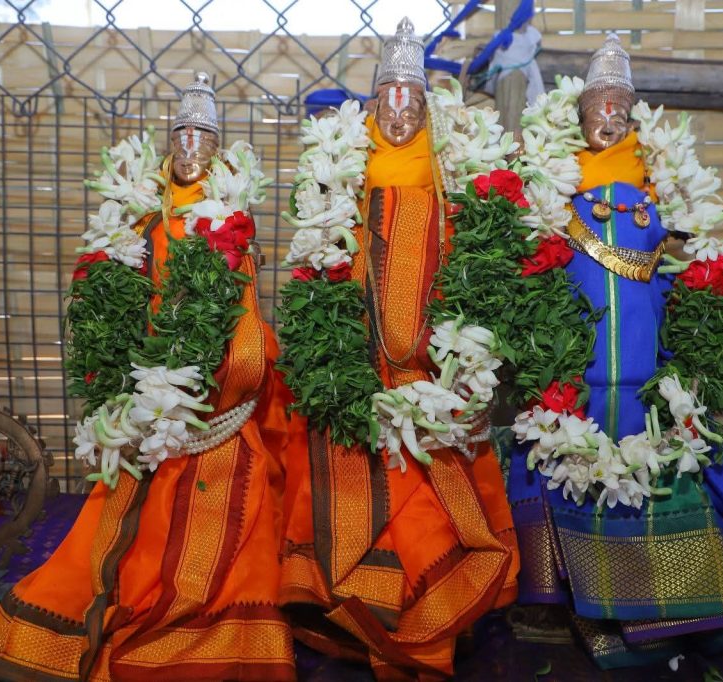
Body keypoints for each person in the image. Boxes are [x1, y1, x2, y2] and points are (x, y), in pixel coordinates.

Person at [504, 35, 723, 668]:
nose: (608, 121)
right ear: (579, 116)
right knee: (555, 466)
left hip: (644, 362)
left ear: (632, 117)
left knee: (656, 465)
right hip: (571, 374)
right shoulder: (552, 180)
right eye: (597, 109)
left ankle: (667, 605)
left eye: (618, 110)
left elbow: (693, 260)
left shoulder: (662, 181)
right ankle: (560, 601)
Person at [0, 73, 295, 681]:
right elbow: (112, 302)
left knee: (234, 504)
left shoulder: (229, 220)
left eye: (202, 139)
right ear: (169, 144)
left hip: (213, 401)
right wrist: (125, 391)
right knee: (113, 523)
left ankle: (207, 630)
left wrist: (208, 388)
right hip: (143, 396)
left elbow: (239, 318)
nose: (190, 149)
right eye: (182, 136)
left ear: (217, 149)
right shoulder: (139, 217)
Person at [276, 19, 519, 680]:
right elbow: (318, 265)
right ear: (373, 103)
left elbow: (477, 273)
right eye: (391, 98)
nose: (402, 112)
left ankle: (433, 615)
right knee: (344, 484)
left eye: (413, 100)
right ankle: (350, 612)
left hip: (430, 372)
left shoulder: (452, 173)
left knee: (436, 502)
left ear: (428, 107)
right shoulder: (341, 169)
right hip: (355, 369)